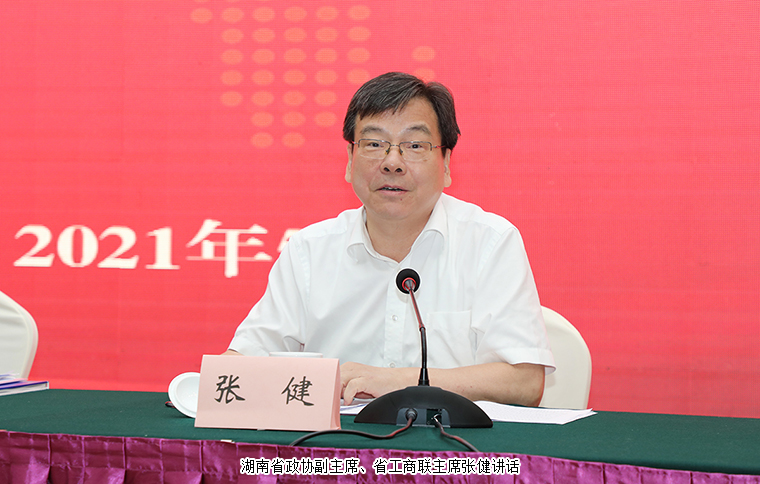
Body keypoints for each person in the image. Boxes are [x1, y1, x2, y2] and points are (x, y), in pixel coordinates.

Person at [224, 72, 554, 407]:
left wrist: (400, 383)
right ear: (350, 160)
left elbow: (525, 382)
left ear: (446, 163)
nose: (392, 162)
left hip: (447, 440)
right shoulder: (309, 251)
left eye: (414, 146)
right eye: (374, 144)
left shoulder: (490, 242)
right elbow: (242, 365)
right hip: (335, 440)